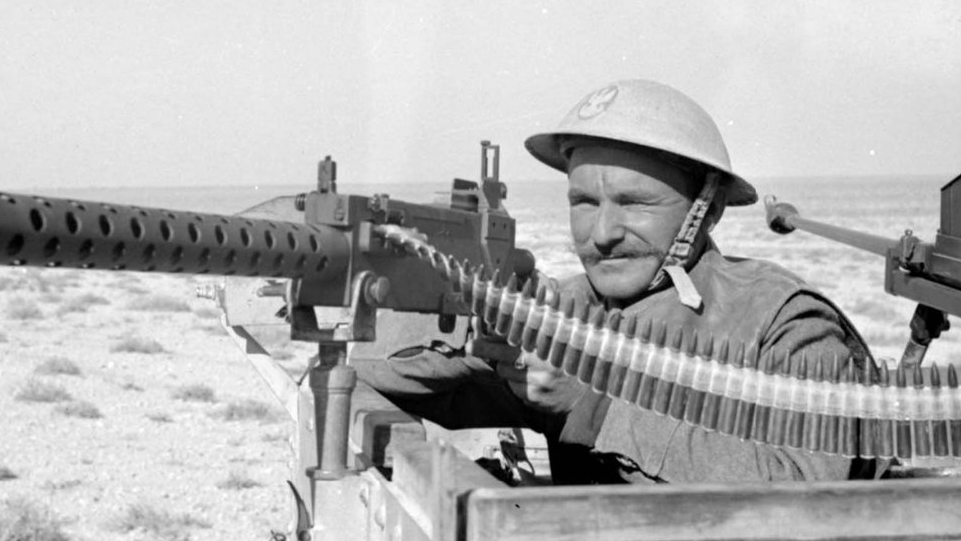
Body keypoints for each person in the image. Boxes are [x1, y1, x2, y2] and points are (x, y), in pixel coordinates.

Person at [354, 79, 876, 485]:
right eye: (583, 203)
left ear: (708, 210)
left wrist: (595, 405)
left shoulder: (783, 321)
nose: (601, 234)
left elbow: (809, 486)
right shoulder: (570, 307)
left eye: (635, 203)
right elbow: (420, 386)